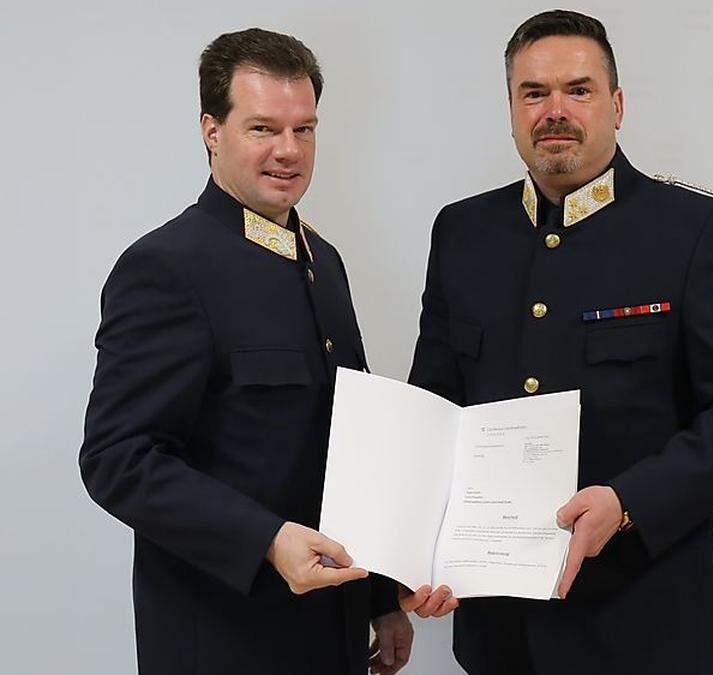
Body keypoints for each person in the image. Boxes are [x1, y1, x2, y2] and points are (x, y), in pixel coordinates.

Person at [407, 9, 713, 675]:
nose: (555, 111)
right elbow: (434, 412)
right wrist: (416, 551)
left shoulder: (696, 230)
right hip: (500, 635)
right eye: (534, 93)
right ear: (510, 109)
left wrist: (627, 504)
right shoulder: (463, 234)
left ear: (616, 104)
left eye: (578, 90)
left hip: (644, 629)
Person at [79, 28, 419, 674]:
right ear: (212, 130)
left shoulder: (325, 261)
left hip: (332, 634)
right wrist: (265, 539)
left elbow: (350, 448)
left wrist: (380, 599)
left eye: (305, 129)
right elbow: (117, 458)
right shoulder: (166, 266)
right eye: (264, 128)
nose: (289, 151)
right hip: (225, 640)